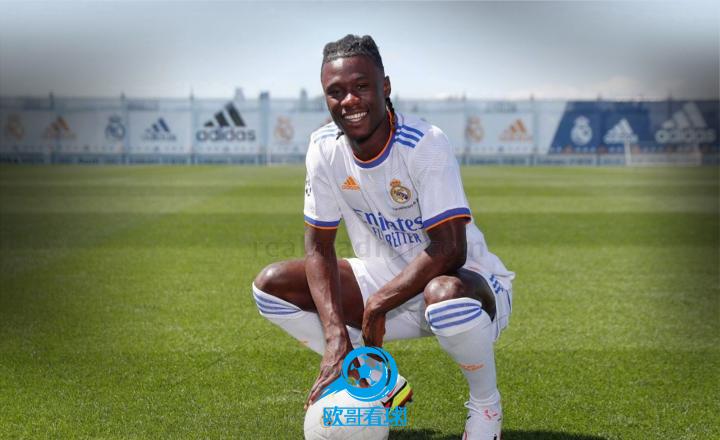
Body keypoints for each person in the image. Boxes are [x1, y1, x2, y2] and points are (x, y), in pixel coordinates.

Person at [252, 34, 514, 439]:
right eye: (335, 92)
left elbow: (450, 249)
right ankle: (375, 377)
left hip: (466, 288)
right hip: (384, 281)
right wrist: (336, 336)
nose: (349, 101)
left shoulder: (424, 143)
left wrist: (377, 305)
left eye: (361, 86)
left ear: (385, 87)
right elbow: (319, 247)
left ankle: (486, 407)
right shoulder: (323, 148)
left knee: (443, 295)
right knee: (271, 286)